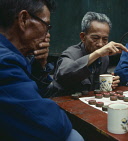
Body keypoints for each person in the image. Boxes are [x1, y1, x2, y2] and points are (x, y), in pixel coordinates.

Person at [0, 0, 84, 140]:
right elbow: (50, 124)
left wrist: (40, 65)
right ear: (24, 20)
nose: (47, 35)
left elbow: (39, 95)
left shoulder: (19, 56)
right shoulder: (5, 62)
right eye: (46, 25)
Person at [53, 11, 128, 95]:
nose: (100, 44)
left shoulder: (104, 58)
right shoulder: (70, 54)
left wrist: (110, 80)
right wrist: (97, 54)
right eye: (95, 38)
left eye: (104, 39)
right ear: (83, 37)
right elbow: (64, 75)